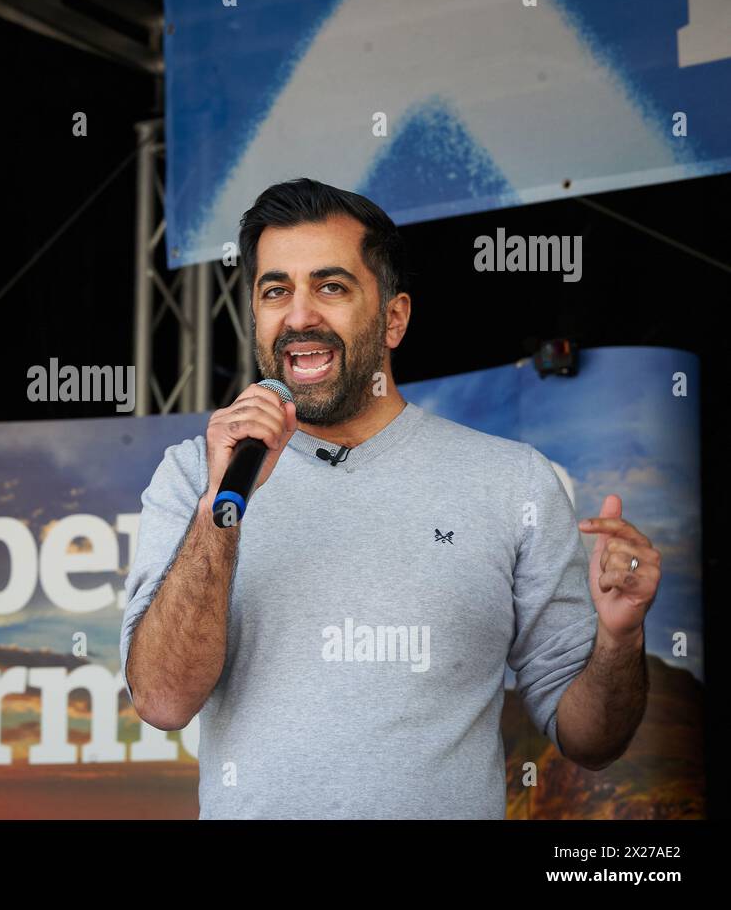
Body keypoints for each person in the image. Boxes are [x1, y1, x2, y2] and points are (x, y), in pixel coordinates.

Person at [118, 178, 660, 819]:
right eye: (275, 291)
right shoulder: (193, 476)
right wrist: (219, 510)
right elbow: (161, 702)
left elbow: (593, 740)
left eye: (331, 286)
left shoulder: (511, 482)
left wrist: (621, 640)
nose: (299, 316)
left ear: (394, 318)